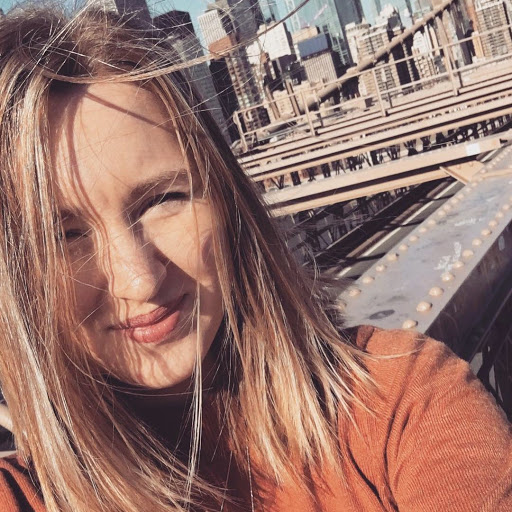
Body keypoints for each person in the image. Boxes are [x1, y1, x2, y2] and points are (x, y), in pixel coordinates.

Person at [0, 5, 510, 512]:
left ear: (226, 202)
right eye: (63, 235)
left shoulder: (404, 404)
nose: (140, 279)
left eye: (163, 200)